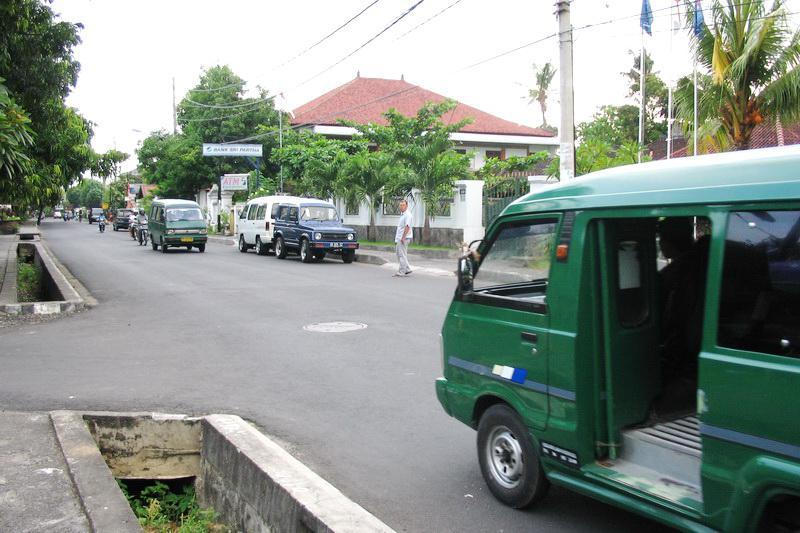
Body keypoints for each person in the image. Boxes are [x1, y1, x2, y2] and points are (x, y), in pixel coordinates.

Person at [393, 199, 413, 277]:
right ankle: (407, 269)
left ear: (406, 206)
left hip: (404, 238)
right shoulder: (403, 214)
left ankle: (402, 271)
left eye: (403, 205)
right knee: (399, 254)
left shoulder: (408, 215)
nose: (401, 207)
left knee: (401, 255)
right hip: (400, 238)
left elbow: (407, 226)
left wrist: (403, 237)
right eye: (400, 205)